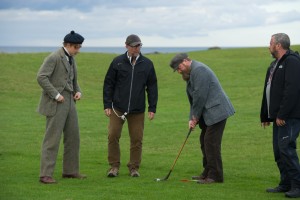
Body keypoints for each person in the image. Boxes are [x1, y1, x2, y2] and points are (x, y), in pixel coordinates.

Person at [169, 53, 235, 184]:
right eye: (176, 69)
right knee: (204, 141)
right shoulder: (190, 74)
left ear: (186, 61)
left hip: (217, 111)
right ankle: (208, 172)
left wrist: (195, 117)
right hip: (208, 113)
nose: (178, 71)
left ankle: (216, 175)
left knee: (211, 142)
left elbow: (200, 96)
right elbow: (193, 100)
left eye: (179, 67)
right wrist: (191, 118)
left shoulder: (199, 70)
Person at [103, 34, 158, 177]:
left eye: (138, 45)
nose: (136, 48)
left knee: (137, 139)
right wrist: (107, 104)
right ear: (126, 46)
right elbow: (109, 84)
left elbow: (152, 87)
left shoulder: (147, 64)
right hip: (117, 108)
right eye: (133, 46)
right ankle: (114, 167)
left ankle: (134, 168)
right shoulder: (117, 62)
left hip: (137, 110)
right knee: (113, 135)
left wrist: (152, 108)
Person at [37, 30, 86, 184]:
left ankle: (70, 171)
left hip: (70, 102)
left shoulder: (71, 58)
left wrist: (78, 91)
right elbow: (41, 77)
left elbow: (72, 79)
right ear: (68, 45)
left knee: (73, 137)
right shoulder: (53, 57)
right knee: (52, 139)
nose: (78, 51)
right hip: (56, 102)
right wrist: (56, 95)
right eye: (77, 47)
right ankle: (45, 175)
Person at [260, 33, 300, 198]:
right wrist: (265, 116)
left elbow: (292, 90)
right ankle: (285, 183)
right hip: (277, 117)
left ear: (278, 45)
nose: (268, 45)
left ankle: (297, 185)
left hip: (289, 116)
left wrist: (282, 113)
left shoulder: (292, 62)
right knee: (279, 151)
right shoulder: (274, 64)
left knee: (286, 149)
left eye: (270, 43)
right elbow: (268, 90)